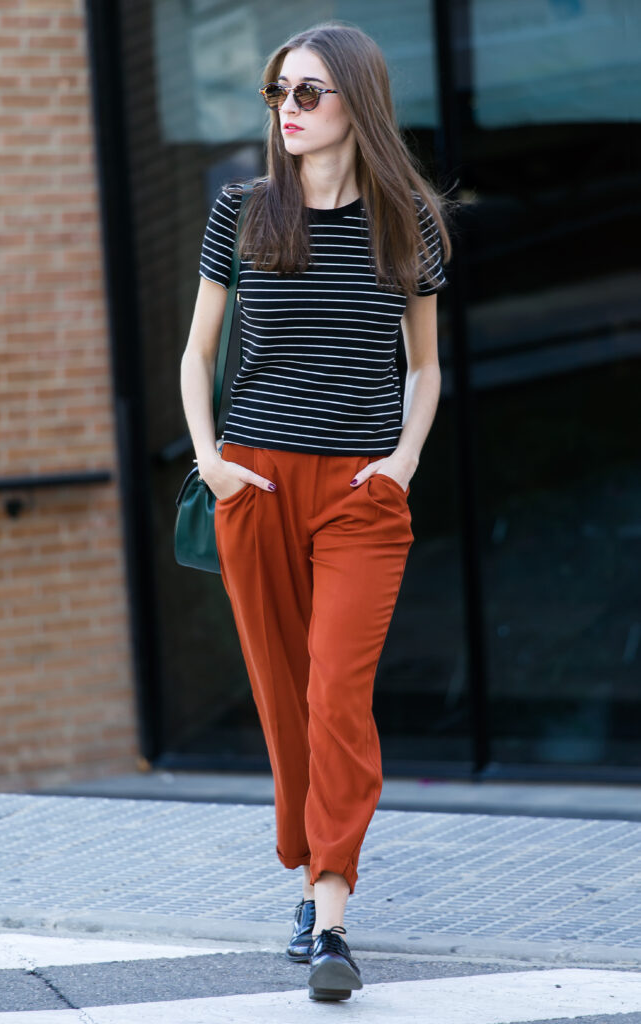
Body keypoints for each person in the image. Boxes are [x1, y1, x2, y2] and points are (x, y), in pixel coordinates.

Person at [181, 20, 452, 1003]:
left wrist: (401, 463)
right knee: (282, 693)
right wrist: (209, 461)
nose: (285, 111)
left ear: (355, 104)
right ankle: (309, 873)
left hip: (357, 495)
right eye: (276, 94)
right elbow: (193, 352)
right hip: (250, 482)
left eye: (305, 93)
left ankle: (330, 917)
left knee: (336, 694)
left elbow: (422, 368)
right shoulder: (241, 210)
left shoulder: (404, 222)